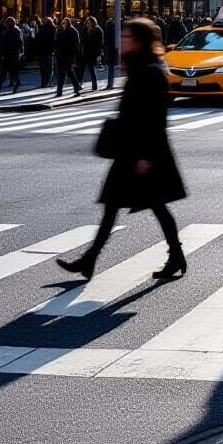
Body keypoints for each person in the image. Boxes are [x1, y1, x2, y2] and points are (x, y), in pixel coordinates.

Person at [56, 18, 187, 281]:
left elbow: (155, 119)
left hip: (142, 154)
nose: (122, 40)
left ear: (139, 41)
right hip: (132, 152)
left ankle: (175, 255)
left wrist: (145, 156)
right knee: (116, 206)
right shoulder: (141, 67)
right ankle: (90, 260)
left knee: (153, 206)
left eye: (127, 37)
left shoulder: (150, 70)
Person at [0, 16, 23, 94]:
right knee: (15, 72)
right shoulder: (17, 31)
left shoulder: (5, 32)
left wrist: (1, 54)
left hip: (7, 55)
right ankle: (15, 87)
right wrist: (21, 52)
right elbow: (20, 43)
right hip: (14, 54)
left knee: (3, 73)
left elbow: (1, 45)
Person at [55, 16, 83, 98]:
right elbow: (57, 42)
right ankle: (74, 87)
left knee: (67, 72)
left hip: (68, 55)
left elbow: (75, 45)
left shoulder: (73, 31)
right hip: (61, 55)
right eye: (62, 23)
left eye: (64, 23)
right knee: (64, 73)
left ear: (68, 23)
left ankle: (61, 90)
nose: (63, 24)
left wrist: (74, 57)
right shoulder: (60, 31)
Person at [35, 16, 56, 88]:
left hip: (41, 51)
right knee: (49, 68)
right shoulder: (53, 29)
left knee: (42, 68)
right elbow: (54, 40)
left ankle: (43, 82)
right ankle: (48, 81)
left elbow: (37, 40)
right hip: (49, 51)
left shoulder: (41, 29)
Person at [84, 16, 104, 92]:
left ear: (93, 22)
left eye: (89, 23)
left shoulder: (98, 30)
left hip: (94, 53)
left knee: (92, 69)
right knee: (88, 69)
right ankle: (92, 85)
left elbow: (99, 43)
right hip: (87, 52)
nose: (87, 24)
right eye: (87, 23)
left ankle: (94, 86)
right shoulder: (87, 30)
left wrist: (99, 54)